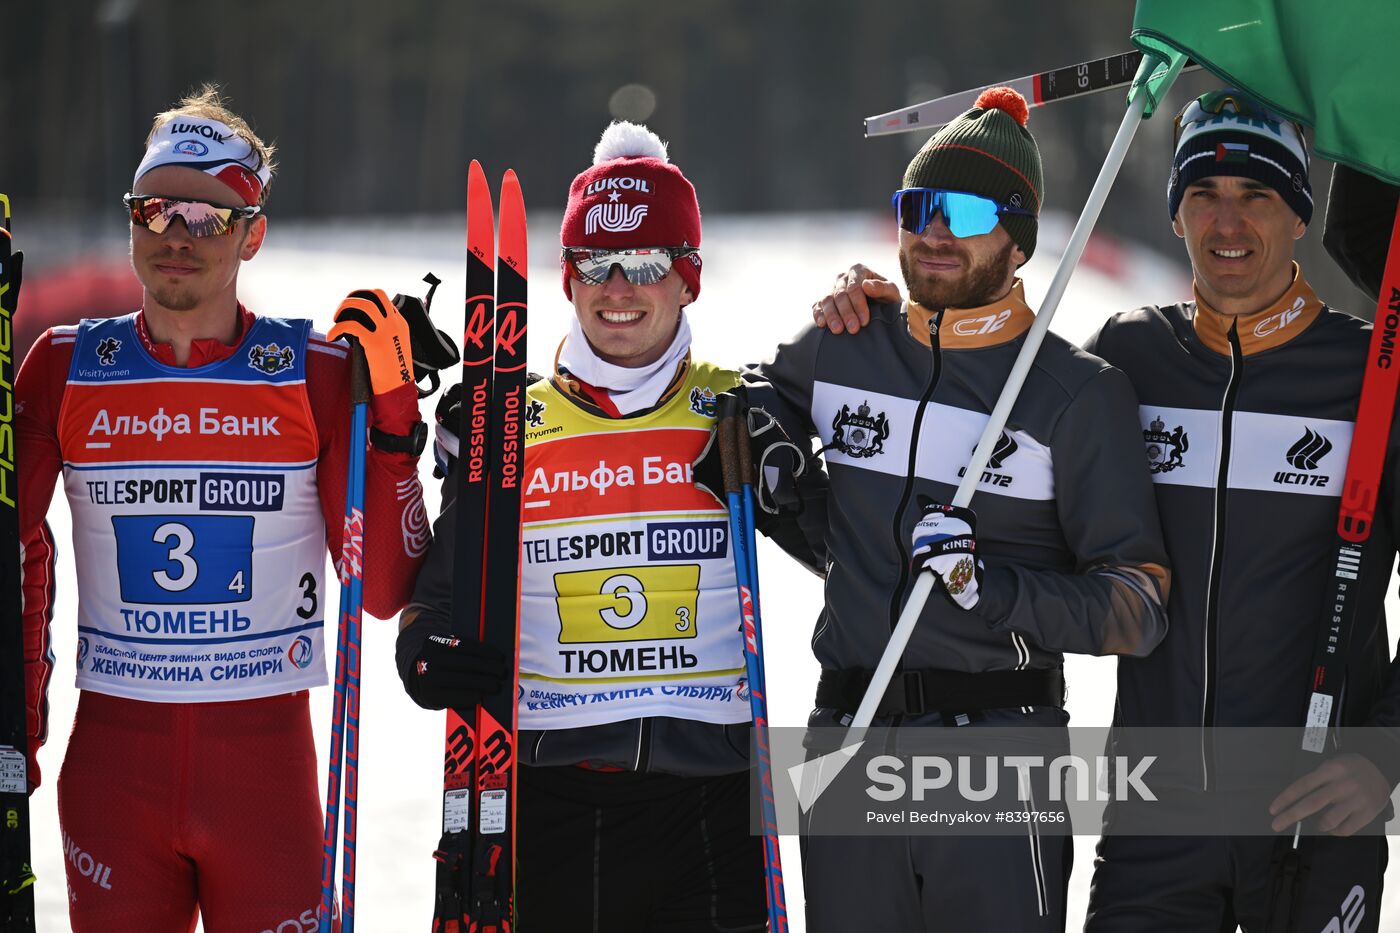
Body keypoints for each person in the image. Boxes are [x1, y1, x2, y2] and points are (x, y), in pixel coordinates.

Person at [810, 89, 1400, 933]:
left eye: (1256, 197)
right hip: (1152, 818)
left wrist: (1384, 751)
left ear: (1300, 213)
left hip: (1314, 809)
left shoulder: (1369, 372)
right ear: (1174, 214)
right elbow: (995, 391)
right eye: (1203, 195)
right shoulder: (1130, 357)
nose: (1226, 225)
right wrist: (889, 316)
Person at [751, 86, 1171, 931]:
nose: (934, 231)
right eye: (918, 206)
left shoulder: (1075, 393)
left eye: (967, 210)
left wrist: (993, 586)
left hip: (997, 750)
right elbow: (754, 425)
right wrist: (768, 443)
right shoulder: (845, 346)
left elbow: (1139, 607)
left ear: (1018, 240)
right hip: (848, 732)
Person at [15, 85, 431, 932]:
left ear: (253, 234)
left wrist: (392, 429)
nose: (176, 236)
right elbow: (14, 547)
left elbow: (383, 589)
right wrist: (20, 717)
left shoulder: (313, 369)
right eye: (155, 210)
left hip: (265, 787)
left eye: (208, 217)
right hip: (111, 780)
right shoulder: (62, 366)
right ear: (132, 219)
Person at [397, 120, 821, 932]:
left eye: (648, 263)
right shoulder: (505, 421)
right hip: (554, 797)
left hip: (716, 801)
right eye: (595, 262)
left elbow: (852, 566)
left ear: (688, 278)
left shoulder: (737, 409)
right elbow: (440, 595)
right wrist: (423, 648)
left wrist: (804, 500)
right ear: (566, 278)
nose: (619, 285)